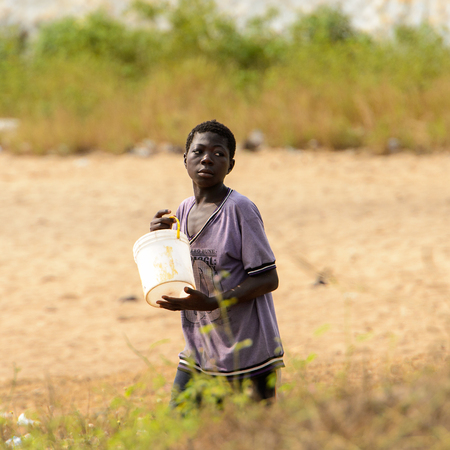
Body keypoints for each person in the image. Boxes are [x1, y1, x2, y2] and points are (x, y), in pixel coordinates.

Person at [149, 119, 284, 404]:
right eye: (198, 152)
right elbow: (182, 269)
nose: (207, 159)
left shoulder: (240, 210)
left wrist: (212, 302)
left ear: (230, 165)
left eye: (219, 154)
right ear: (185, 159)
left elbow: (268, 279)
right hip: (200, 350)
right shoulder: (183, 210)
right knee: (181, 427)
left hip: (247, 353)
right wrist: (161, 240)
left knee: (250, 435)